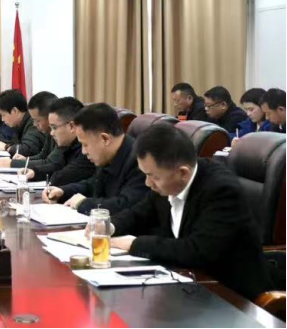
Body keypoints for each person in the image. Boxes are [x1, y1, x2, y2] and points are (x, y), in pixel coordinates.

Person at [107, 124, 275, 301]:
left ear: (183, 173)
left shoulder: (221, 190)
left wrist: (135, 244)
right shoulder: (168, 182)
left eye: (153, 176)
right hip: (186, 284)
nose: (148, 183)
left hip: (230, 295)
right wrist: (108, 227)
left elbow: (197, 251)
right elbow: (139, 213)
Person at [42, 103, 148, 215]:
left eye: (85, 145)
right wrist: (63, 191)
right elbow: (93, 185)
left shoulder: (140, 161)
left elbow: (126, 205)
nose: (83, 151)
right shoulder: (109, 155)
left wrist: (83, 203)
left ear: (105, 139)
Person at [16, 97, 96, 186]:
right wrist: (34, 172)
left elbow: (60, 178)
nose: (51, 133)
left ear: (71, 126)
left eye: (54, 128)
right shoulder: (68, 144)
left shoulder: (86, 149)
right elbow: (56, 166)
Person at [0, 89, 47, 156]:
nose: (2, 119)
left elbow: (28, 149)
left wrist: (6, 147)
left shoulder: (33, 123)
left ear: (14, 111)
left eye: (3, 115)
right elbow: (14, 143)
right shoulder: (20, 124)